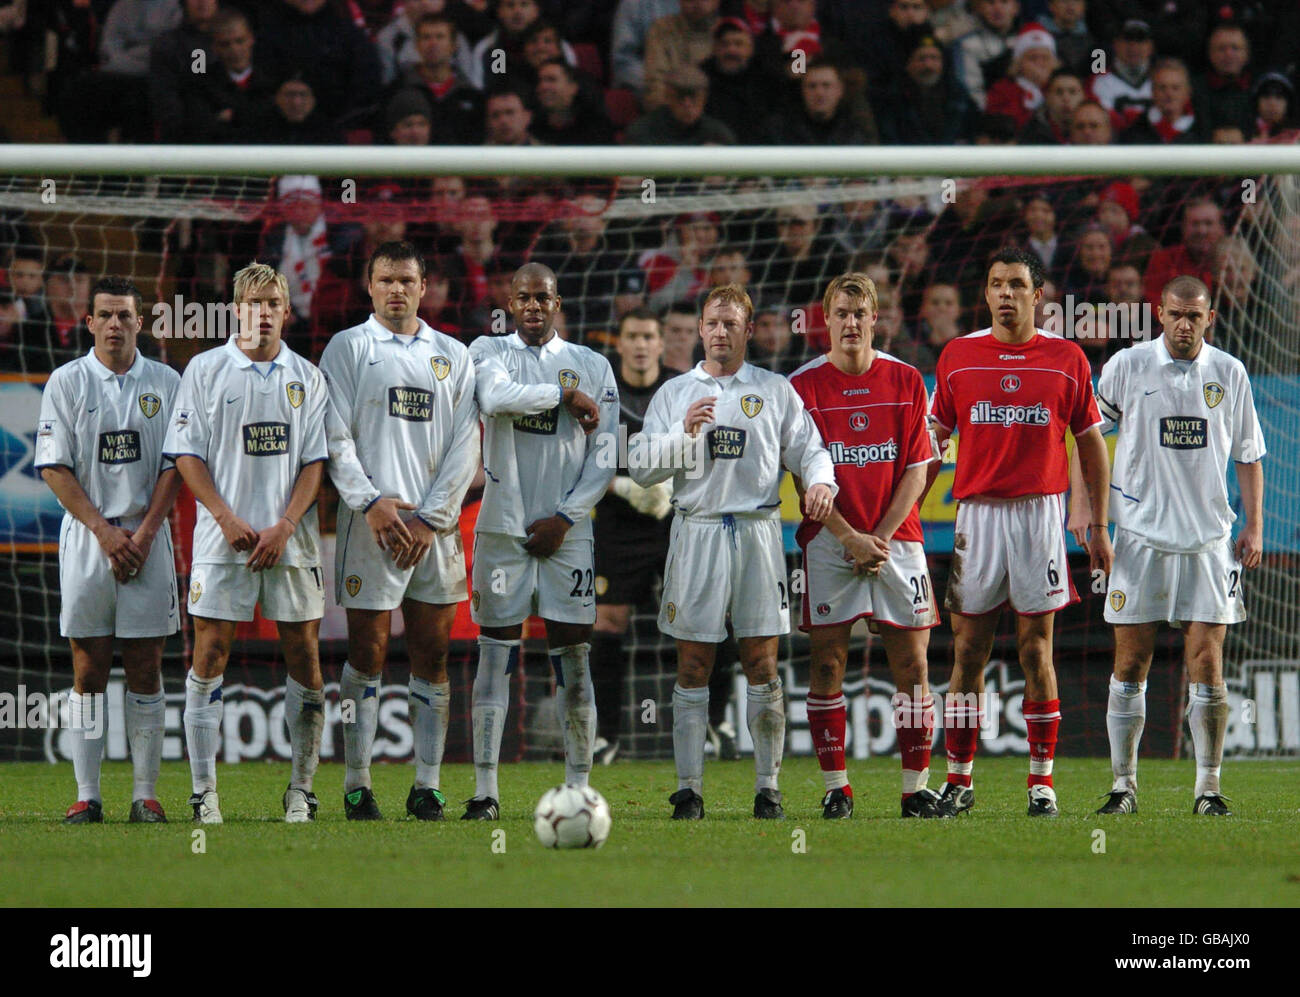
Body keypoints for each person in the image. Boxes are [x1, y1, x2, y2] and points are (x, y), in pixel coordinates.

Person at [630, 283, 837, 820]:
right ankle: (688, 789)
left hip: (758, 532)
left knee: (762, 661)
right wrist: (684, 434)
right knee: (694, 662)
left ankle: (768, 788)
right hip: (695, 531)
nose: (720, 332)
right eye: (712, 323)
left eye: (731, 324)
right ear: (700, 330)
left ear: (748, 331)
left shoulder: (773, 390)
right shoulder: (675, 394)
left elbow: (810, 449)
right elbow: (644, 467)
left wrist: (821, 483)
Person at [927, 247, 1113, 817]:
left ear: (1039, 295)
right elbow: (933, 443)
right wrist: (903, 510)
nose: (1005, 293)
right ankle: (959, 780)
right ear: (985, 294)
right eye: (995, 284)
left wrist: (1099, 524)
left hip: (1039, 516)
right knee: (968, 652)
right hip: (977, 516)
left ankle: (1042, 784)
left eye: (1016, 284)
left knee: (1037, 650)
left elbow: (1091, 445)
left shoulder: (1067, 359)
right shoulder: (958, 356)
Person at [1079, 276, 1264, 817]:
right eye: (1176, 315)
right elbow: (1088, 436)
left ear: (1210, 319)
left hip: (1210, 543)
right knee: (1130, 663)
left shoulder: (1230, 373)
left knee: (1207, 663)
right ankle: (1123, 786)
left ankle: (1208, 789)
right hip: (1139, 541)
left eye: (1195, 316)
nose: (1184, 325)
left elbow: (1250, 455)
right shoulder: (1128, 365)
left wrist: (1254, 526)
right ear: (1160, 314)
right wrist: (1090, 512)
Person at [164, 262, 328, 825]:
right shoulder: (206, 371)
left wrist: (284, 523)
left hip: (293, 542)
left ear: (286, 310)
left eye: (272, 303)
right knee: (209, 655)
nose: (262, 313)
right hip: (221, 539)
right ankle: (204, 792)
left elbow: (315, 463)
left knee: (305, 656)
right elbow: (186, 454)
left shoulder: (307, 375)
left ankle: (301, 790)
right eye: (252, 303)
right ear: (236, 309)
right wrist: (224, 515)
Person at [320, 241, 479, 821]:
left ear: (424, 286)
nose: (396, 290)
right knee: (366, 653)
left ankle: (427, 786)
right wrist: (372, 503)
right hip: (371, 527)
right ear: (369, 285)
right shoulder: (347, 348)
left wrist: (431, 518)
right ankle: (358, 785)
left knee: (432, 655)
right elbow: (332, 436)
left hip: (432, 530)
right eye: (385, 279)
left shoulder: (453, 355)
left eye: (406, 281)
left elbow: (467, 446)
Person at [464, 262, 619, 819]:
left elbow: (605, 457)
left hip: (567, 535)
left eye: (542, 297)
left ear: (558, 302)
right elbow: (496, 400)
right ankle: (485, 792)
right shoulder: (484, 350)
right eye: (523, 297)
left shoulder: (594, 365)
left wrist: (566, 518)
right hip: (502, 528)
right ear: (509, 300)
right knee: (494, 657)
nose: (532, 306)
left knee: (574, 659)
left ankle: (579, 789)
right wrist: (563, 395)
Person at [789, 273, 942, 819]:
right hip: (831, 542)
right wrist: (850, 538)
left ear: (876, 319)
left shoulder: (905, 380)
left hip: (897, 541)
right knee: (827, 663)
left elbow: (919, 469)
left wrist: (879, 536)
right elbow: (806, 478)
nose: (850, 323)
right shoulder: (801, 386)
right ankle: (837, 788)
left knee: (913, 666)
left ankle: (914, 789)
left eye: (860, 313)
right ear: (824, 320)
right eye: (841, 313)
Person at [36, 277, 181, 824]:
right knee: (88, 667)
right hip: (88, 538)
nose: (115, 324)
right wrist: (104, 532)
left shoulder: (167, 381)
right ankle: (87, 795)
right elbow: (53, 467)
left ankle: (145, 794)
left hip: (148, 538)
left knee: (146, 667)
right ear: (89, 322)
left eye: (125, 315)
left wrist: (141, 534)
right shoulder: (67, 382)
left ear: (140, 322)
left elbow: (178, 463)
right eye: (105, 315)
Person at [590, 308, 677, 764]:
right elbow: (577, 457)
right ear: (619, 343)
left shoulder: (681, 388)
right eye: (633, 335)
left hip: (674, 519)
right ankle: (606, 735)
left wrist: (673, 485)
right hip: (616, 523)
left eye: (648, 335)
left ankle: (713, 727)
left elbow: (709, 449)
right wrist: (622, 485)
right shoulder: (603, 394)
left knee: (703, 618)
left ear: (661, 343)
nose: (641, 344)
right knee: (606, 621)